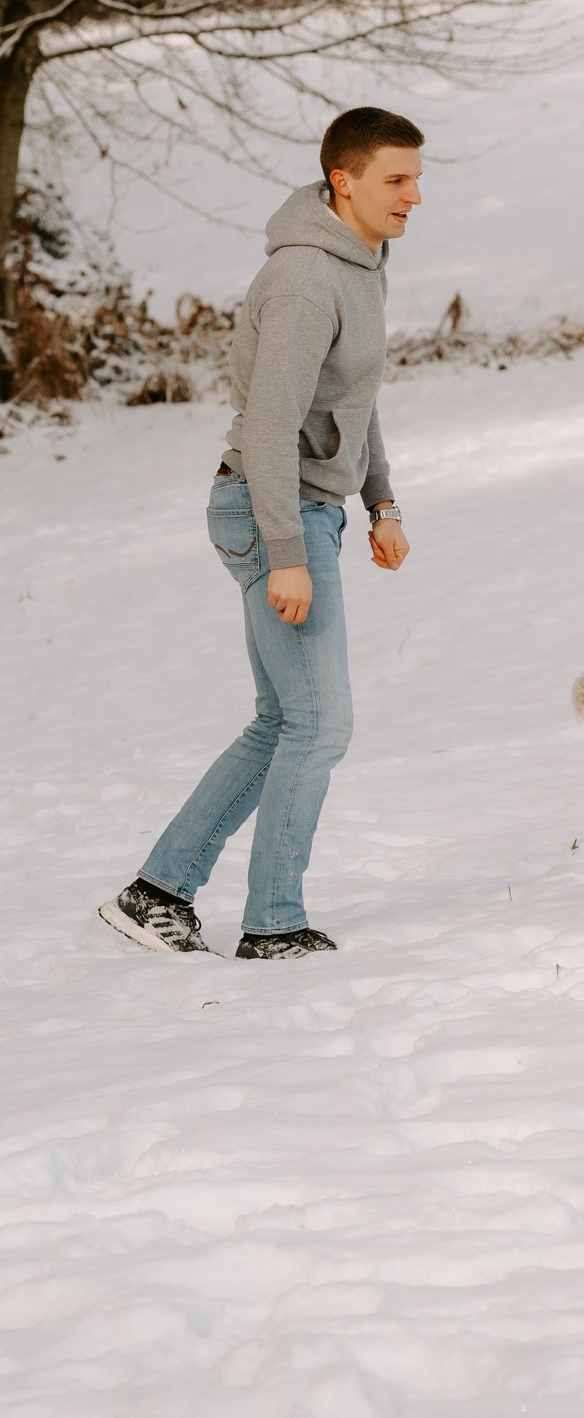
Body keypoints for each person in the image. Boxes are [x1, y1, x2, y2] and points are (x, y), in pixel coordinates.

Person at [99, 107, 422, 958]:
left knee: (285, 720)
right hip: (270, 507)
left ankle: (156, 892)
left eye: (418, 178)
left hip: (305, 506)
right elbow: (274, 424)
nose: (414, 196)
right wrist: (289, 556)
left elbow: (356, 396)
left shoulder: (365, 261)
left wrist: (381, 501)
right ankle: (273, 923)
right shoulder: (310, 278)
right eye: (396, 178)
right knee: (320, 725)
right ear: (343, 180)